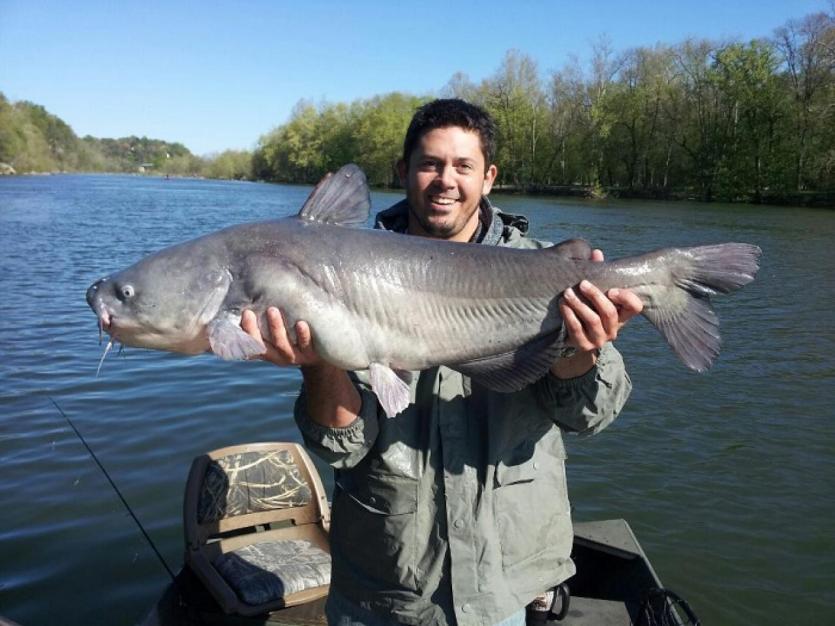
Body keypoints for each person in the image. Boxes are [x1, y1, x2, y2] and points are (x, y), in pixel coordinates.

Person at [241, 99, 643, 626]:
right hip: (386, 585)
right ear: (403, 171)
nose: (445, 180)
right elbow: (342, 448)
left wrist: (580, 348)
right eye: (430, 164)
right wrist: (319, 364)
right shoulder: (337, 274)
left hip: (504, 579)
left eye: (463, 166)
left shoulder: (549, 270)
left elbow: (591, 416)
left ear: (489, 176)